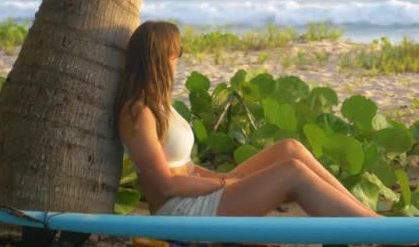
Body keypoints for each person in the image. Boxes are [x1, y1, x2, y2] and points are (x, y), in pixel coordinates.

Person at [116, 21, 380, 218]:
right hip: (182, 210)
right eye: (176, 53)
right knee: (292, 172)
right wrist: (223, 184)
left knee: (290, 148)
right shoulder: (137, 113)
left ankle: (365, 214)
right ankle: (369, 226)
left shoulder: (159, 105)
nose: (178, 59)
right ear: (160, 59)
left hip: (198, 192)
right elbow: (166, 184)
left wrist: (222, 178)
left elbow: (185, 166)